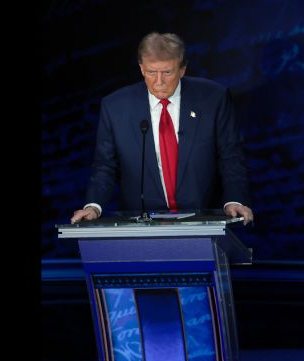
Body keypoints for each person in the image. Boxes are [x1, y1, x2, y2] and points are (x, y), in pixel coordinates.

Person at [71, 32, 253, 225]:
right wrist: (93, 206)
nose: (159, 81)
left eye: (167, 72)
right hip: (141, 225)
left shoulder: (213, 98)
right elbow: (105, 166)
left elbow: (230, 156)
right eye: (151, 72)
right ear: (141, 68)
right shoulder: (115, 107)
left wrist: (234, 199)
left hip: (204, 220)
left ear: (182, 69)